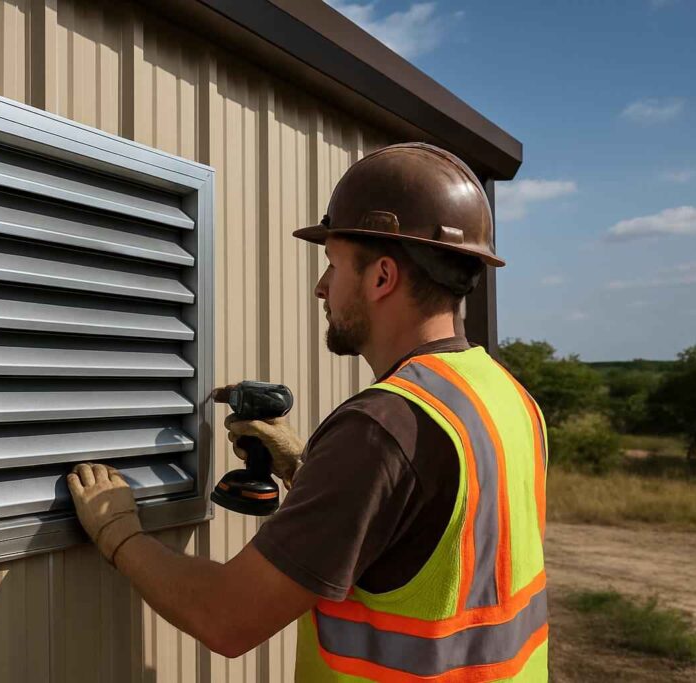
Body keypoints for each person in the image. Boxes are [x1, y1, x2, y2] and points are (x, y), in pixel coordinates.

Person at [67, 143, 548, 682]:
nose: (322, 288)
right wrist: (305, 467)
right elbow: (428, 531)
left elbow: (227, 618)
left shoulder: (382, 430)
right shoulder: (507, 397)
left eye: (333, 266)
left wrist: (118, 532)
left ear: (382, 277)